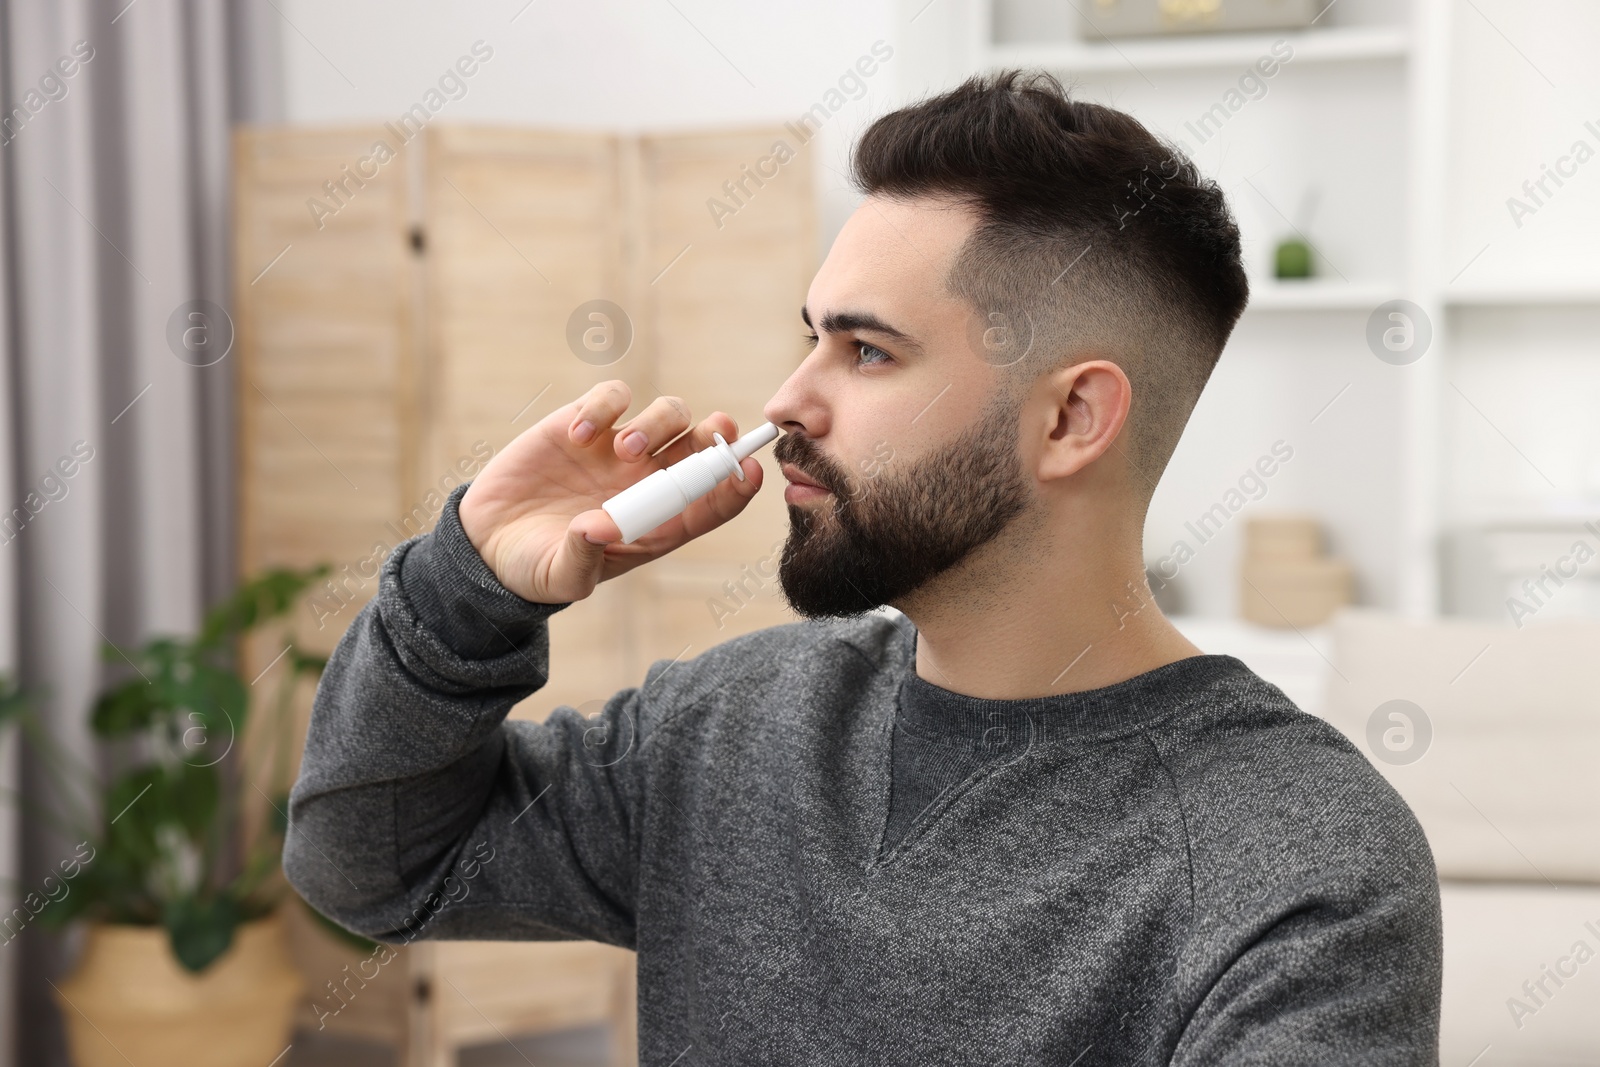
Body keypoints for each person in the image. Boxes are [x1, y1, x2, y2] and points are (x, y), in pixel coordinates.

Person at [285, 70, 1442, 1064]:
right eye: (810, 334)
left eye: (866, 349)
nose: (789, 397)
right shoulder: (732, 725)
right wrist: (469, 586)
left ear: (1071, 419)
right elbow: (375, 871)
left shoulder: (1300, 863)